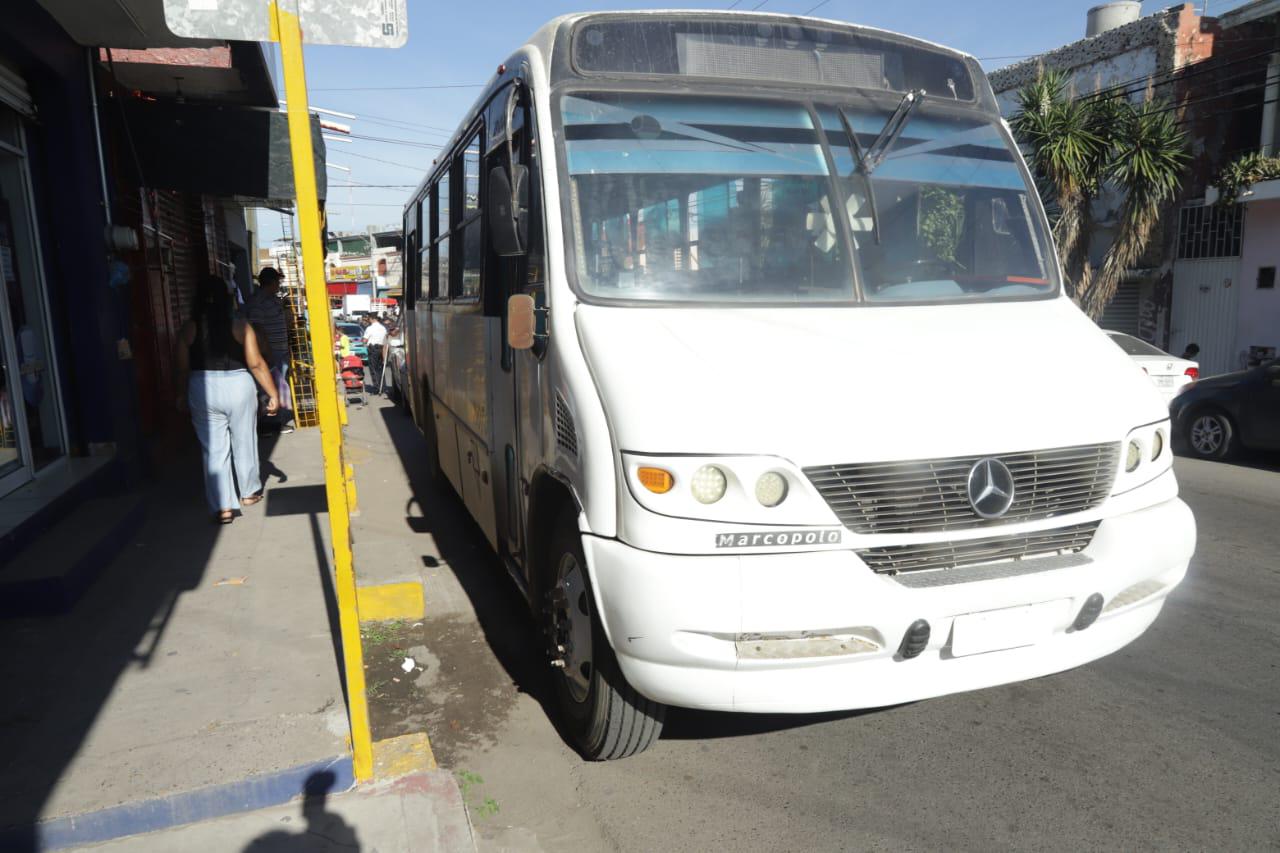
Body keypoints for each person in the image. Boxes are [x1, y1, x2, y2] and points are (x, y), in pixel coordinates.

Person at [176, 274, 280, 524]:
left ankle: (223, 507)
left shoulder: (189, 328)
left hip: (202, 387)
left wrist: (180, 394)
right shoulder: (241, 326)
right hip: (238, 384)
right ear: (226, 297)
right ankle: (248, 493)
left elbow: (181, 367)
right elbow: (256, 363)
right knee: (244, 439)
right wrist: (273, 393)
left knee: (213, 448)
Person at [244, 267, 294, 434]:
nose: (279, 285)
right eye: (278, 282)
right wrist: (267, 354)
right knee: (269, 388)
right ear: (271, 282)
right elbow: (258, 330)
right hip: (270, 354)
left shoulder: (273, 299)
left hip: (280, 352)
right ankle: (269, 424)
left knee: (280, 387)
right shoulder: (259, 302)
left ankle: (277, 420)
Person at [363, 314, 389, 392]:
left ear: (372, 319)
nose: (368, 320)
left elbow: (365, 340)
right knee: (380, 368)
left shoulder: (370, 328)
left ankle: (377, 387)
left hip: (373, 349)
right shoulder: (383, 328)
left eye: (369, 319)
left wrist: (363, 341)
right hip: (381, 349)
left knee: (373, 369)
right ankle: (382, 386)